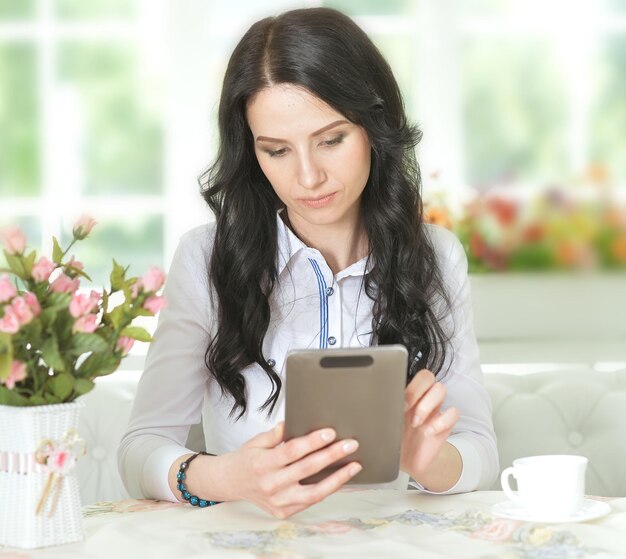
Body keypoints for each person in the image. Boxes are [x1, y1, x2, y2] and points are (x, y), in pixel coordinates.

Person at [118, 7, 498, 519]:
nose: (308, 177)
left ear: (374, 128)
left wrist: (422, 460)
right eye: (276, 150)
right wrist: (228, 476)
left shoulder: (434, 256)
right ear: (251, 152)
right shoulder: (206, 257)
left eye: (331, 140)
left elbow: (479, 452)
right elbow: (139, 449)